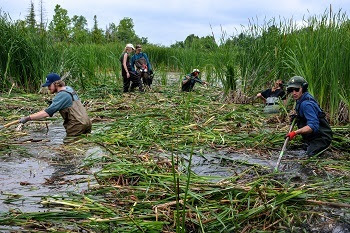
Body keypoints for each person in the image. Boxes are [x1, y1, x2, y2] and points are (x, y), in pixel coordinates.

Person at [18, 73, 92, 136]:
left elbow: (46, 113)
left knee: (68, 150)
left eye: (49, 85)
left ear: (56, 84)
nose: (48, 88)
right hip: (87, 123)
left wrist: (28, 118)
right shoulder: (69, 89)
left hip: (77, 126)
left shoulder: (62, 95)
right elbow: (68, 102)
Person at [285, 76, 332, 157]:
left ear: (303, 88)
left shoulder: (307, 104)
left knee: (310, 155)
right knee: (298, 149)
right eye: (291, 90)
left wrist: (295, 132)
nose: (294, 93)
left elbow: (313, 126)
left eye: (296, 89)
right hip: (312, 137)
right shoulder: (300, 100)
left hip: (321, 137)